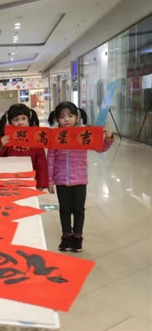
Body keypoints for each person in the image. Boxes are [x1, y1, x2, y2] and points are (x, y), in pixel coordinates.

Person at [47, 101, 114, 253]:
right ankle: (66, 235)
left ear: (77, 117)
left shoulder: (84, 134)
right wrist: (50, 181)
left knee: (78, 209)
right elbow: (50, 159)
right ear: (57, 119)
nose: (66, 119)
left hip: (79, 179)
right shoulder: (54, 136)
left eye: (70, 116)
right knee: (64, 209)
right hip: (61, 180)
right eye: (62, 116)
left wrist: (108, 139)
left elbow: (100, 148)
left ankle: (77, 236)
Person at [0, 104, 48, 191]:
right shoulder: (7, 138)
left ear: (28, 119)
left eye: (23, 119)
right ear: (10, 122)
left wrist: (41, 184)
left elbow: (41, 163)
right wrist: (1, 144)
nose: (20, 122)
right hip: (10, 179)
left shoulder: (35, 139)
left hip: (30, 179)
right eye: (16, 120)